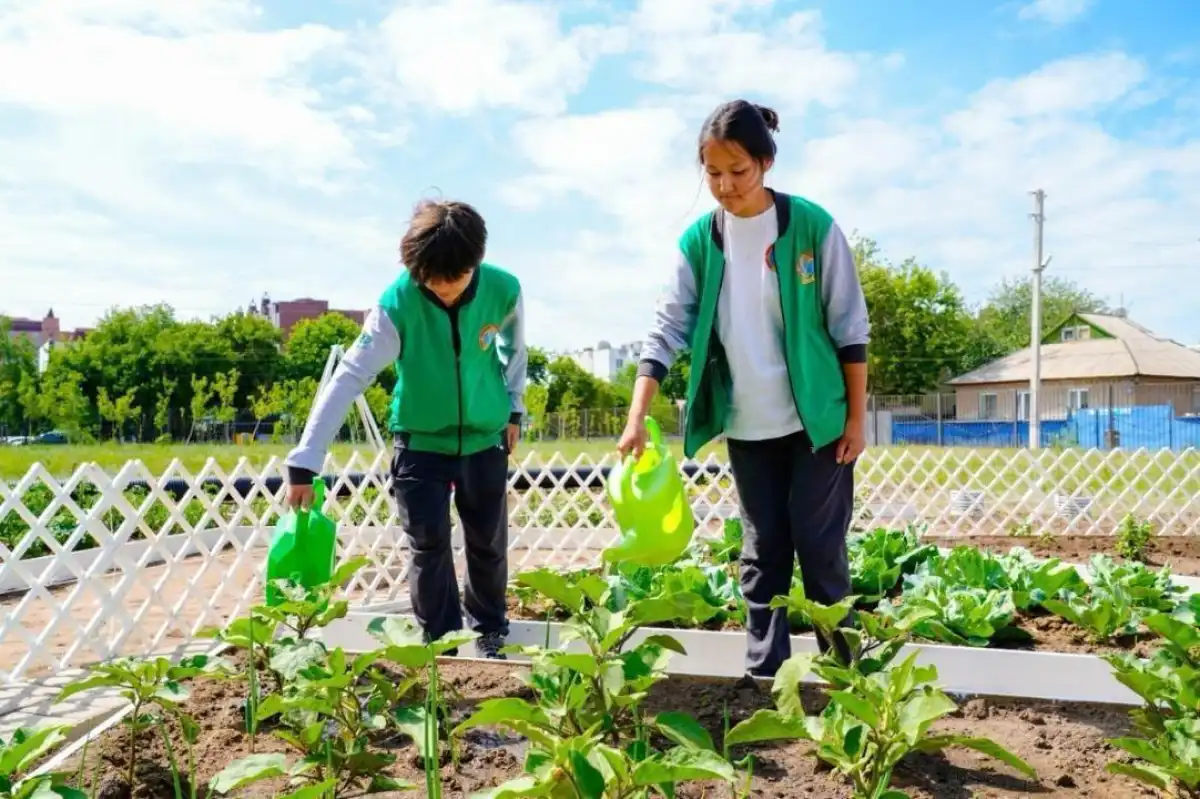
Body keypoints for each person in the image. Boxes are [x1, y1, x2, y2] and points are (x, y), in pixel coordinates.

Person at [617, 99, 871, 678]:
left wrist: (856, 419)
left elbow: (850, 327)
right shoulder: (700, 241)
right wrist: (637, 416)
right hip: (748, 422)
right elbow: (667, 328)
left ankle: (845, 672)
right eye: (712, 173)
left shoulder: (811, 226)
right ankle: (765, 671)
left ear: (766, 163)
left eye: (738, 171)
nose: (726, 186)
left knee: (819, 544)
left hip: (818, 420)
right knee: (762, 550)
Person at [284, 199, 527, 660]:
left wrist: (514, 410)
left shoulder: (504, 289)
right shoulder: (398, 303)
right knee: (427, 546)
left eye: (453, 279)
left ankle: (491, 628)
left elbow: (515, 352)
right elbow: (351, 376)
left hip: (483, 439)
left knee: (488, 543)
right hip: (419, 441)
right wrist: (305, 458)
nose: (444, 290)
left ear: (474, 263)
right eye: (431, 281)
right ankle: (441, 644)